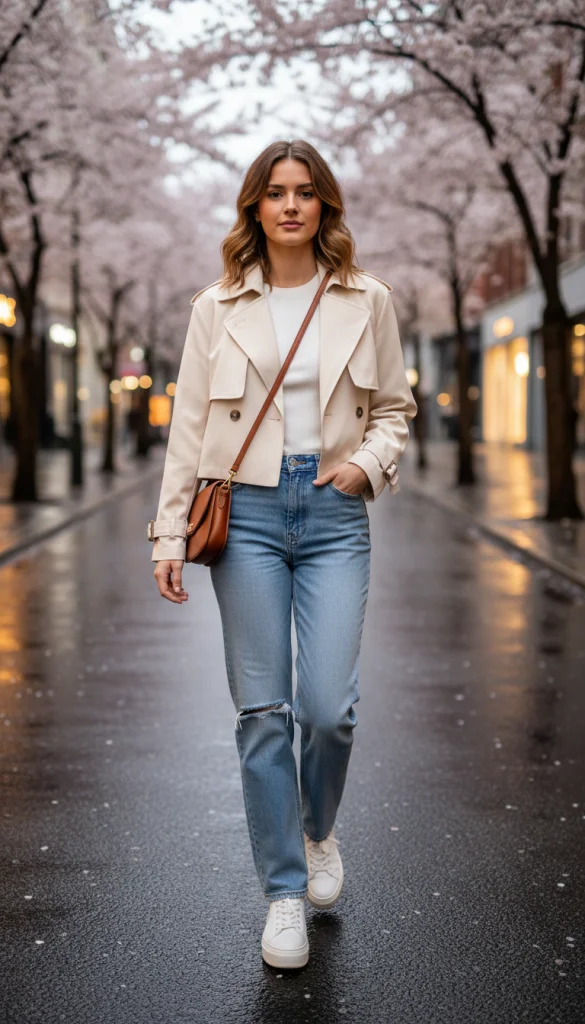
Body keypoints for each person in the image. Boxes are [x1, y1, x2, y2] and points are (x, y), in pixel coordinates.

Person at [149, 139, 417, 970]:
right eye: (275, 193)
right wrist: (167, 534)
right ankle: (283, 893)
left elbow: (395, 411)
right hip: (247, 515)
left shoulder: (367, 299)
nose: (291, 205)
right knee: (263, 712)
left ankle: (317, 828)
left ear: (324, 204)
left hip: (333, 511)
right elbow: (188, 427)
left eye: (305, 192)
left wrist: (361, 469)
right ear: (254, 208)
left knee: (329, 708)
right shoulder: (216, 307)